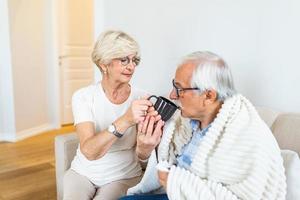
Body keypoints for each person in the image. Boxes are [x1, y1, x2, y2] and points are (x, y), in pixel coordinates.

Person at [124, 51, 286, 199]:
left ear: (208, 95)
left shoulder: (250, 137)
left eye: (179, 89)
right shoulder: (185, 122)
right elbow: (163, 166)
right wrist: (146, 151)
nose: (173, 95)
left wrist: (175, 181)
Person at [63, 30, 164, 200]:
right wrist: (126, 120)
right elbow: (89, 151)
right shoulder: (83, 96)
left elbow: (143, 157)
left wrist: (146, 149)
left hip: (124, 176)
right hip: (82, 173)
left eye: (134, 60)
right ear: (104, 64)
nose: (131, 66)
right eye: (124, 60)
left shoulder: (143, 98)